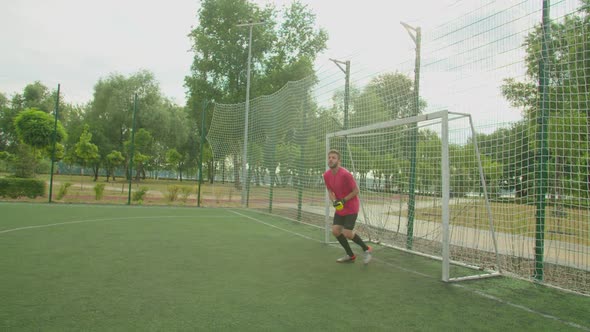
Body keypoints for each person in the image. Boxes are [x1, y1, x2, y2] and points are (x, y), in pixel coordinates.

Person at [323, 149, 372, 264]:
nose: (330, 159)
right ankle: (350, 256)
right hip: (340, 207)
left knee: (347, 233)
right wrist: (334, 201)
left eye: (333, 157)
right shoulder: (326, 175)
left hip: (351, 206)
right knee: (335, 231)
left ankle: (367, 249)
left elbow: (356, 191)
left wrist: (344, 200)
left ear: (339, 161)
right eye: (329, 157)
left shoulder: (346, 174)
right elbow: (330, 190)